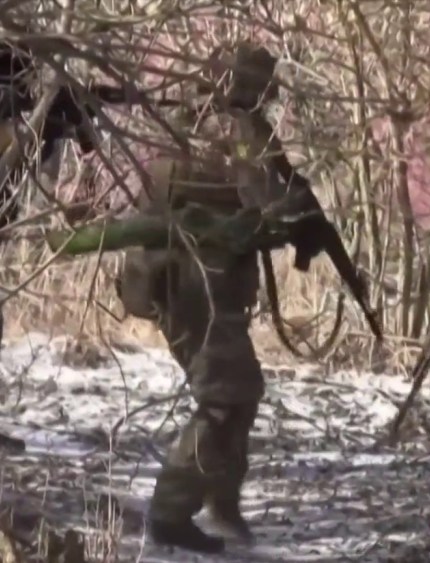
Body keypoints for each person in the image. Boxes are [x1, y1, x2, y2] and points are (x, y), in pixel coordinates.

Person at [114, 43, 309, 553]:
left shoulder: (193, 122)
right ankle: (171, 513)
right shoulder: (231, 131)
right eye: (262, 89)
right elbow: (267, 200)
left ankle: (221, 503)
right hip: (194, 283)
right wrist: (298, 211)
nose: (268, 100)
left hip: (186, 280)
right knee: (224, 397)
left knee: (239, 393)